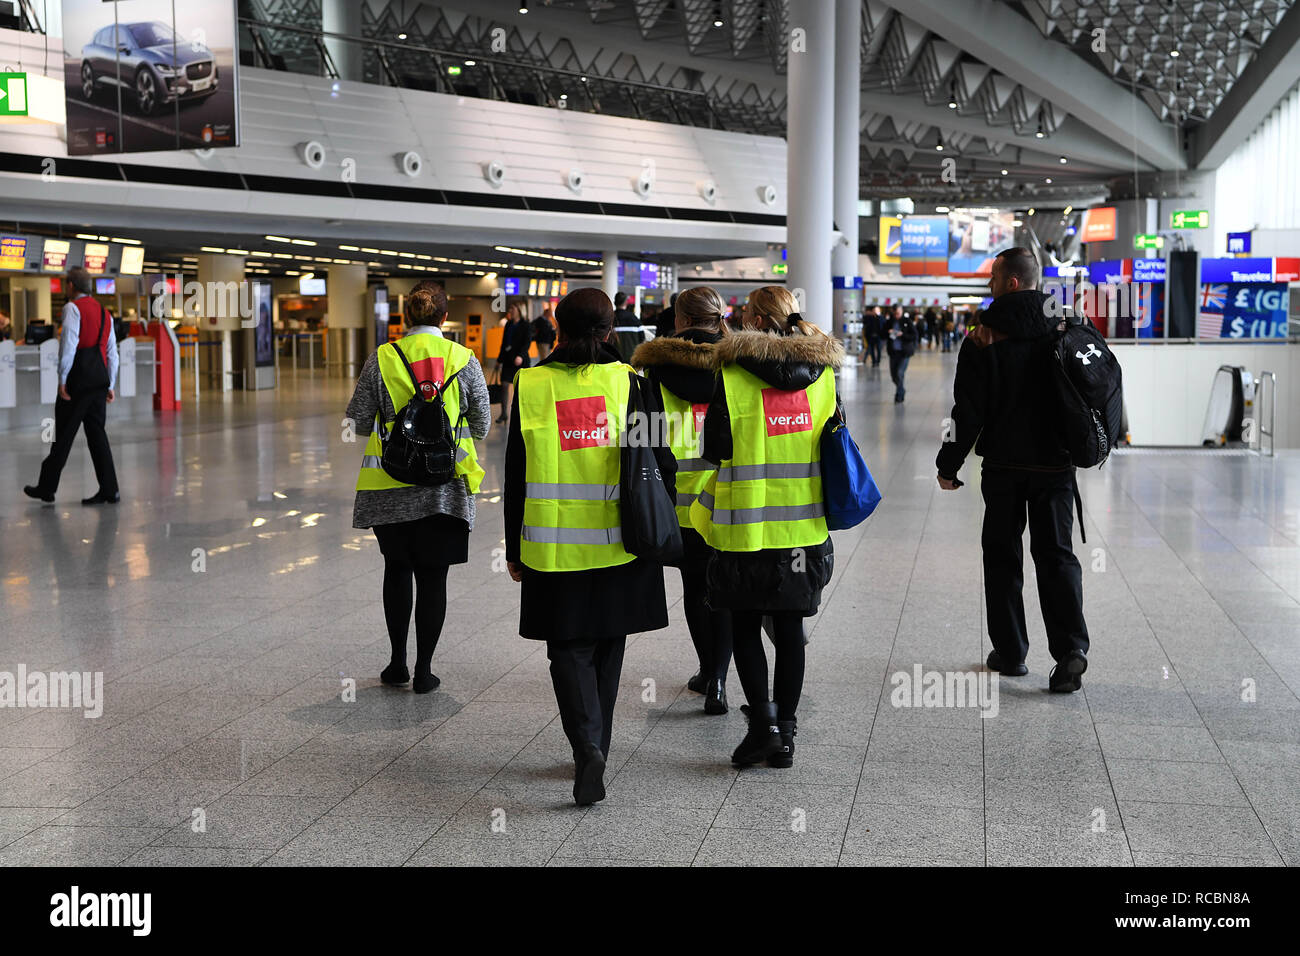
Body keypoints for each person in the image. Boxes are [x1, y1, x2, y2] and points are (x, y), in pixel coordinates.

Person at [505, 287, 675, 805]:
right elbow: (660, 461)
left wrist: (513, 546)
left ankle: (588, 747)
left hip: (553, 546)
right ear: (609, 332)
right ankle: (595, 743)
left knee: (567, 648)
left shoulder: (530, 383)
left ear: (558, 329)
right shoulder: (633, 384)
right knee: (608, 640)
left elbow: (516, 471)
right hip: (622, 541)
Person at [691, 285, 841, 769]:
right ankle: (788, 733)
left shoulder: (732, 372)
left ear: (753, 320)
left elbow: (715, 448)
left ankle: (764, 728)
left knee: (745, 625)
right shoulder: (823, 372)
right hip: (802, 529)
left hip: (744, 527)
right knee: (791, 627)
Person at [935, 246, 1089, 693]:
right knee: (1057, 557)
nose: (990, 286)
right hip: (1056, 466)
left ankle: (1011, 652)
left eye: (995, 279)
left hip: (1004, 466)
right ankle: (1071, 652)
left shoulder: (983, 336)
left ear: (1013, 283)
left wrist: (949, 463)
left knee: (1002, 557)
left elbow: (967, 411)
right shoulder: (1068, 325)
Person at [346, 283, 490, 693]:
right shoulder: (464, 359)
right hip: (446, 488)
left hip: (389, 483)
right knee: (434, 578)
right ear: (444, 318)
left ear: (405, 318)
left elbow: (357, 419)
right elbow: (480, 423)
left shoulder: (383, 357)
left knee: (396, 570)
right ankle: (425, 670)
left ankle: (396, 664)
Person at [631, 286, 733, 714]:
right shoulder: (738, 366)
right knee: (724, 590)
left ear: (681, 320)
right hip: (727, 498)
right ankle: (721, 683)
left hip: (677, 501)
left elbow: (644, 437)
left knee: (694, 588)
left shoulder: (654, 370)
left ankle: (707, 671)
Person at [24, 267, 120, 506]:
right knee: (97, 435)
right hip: (99, 380)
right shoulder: (104, 313)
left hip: (78, 381)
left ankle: (47, 488)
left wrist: (62, 379)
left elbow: (68, 344)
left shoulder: (72, 309)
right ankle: (110, 490)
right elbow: (112, 353)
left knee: (63, 436)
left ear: (71, 286)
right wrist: (111, 382)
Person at [495, 303, 533, 425]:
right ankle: (504, 413)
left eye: (512, 308)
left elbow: (527, 342)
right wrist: (499, 360)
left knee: (520, 389)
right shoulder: (508, 324)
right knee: (504, 385)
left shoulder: (526, 325)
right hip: (508, 359)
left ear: (519, 310)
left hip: (520, 361)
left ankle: (520, 414)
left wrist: (521, 356)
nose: (510, 310)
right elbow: (504, 342)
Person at [881, 305, 917, 403]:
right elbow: (882, 334)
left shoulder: (907, 321)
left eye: (898, 313)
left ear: (901, 311)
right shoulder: (890, 322)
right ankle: (901, 389)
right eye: (895, 313)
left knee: (899, 373)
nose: (897, 315)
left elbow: (914, 335)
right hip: (893, 352)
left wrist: (903, 335)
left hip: (904, 353)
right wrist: (888, 332)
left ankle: (899, 395)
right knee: (894, 376)